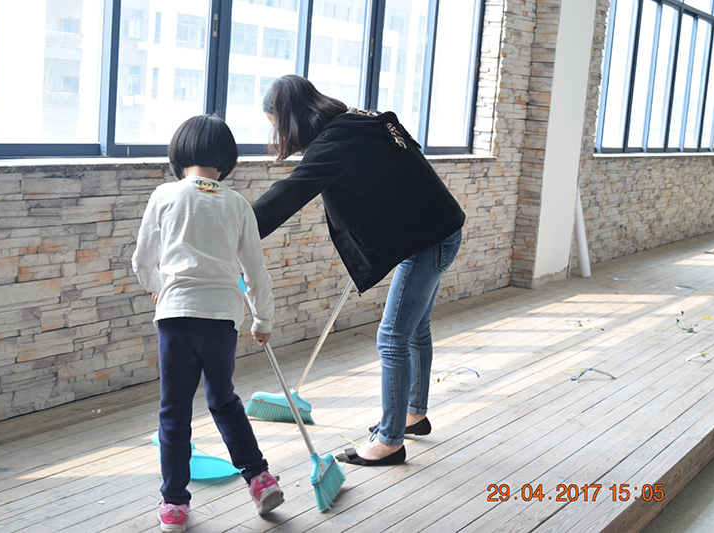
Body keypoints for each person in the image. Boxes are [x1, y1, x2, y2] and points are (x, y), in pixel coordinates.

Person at [252, 75, 465, 467]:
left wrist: (238, 229)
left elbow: (291, 192)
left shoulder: (337, 141)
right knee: (415, 329)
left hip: (428, 239)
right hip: (439, 228)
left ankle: (390, 442)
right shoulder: (357, 122)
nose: (278, 136)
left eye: (276, 126)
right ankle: (413, 415)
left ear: (292, 119)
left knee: (392, 338)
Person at [132, 114, 284, 532]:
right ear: (227, 159)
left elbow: (142, 262)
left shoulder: (165, 196)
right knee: (223, 399)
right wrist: (263, 320)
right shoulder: (237, 205)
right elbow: (255, 272)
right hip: (221, 319)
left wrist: (161, 287)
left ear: (179, 154)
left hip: (177, 318)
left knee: (174, 411)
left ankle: (175, 504)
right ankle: (259, 479)